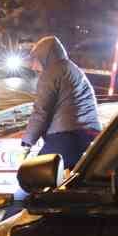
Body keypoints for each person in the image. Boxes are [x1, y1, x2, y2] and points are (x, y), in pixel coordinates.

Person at [23, 36, 100, 168]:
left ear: (44, 57)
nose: (34, 66)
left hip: (66, 137)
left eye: (35, 60)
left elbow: (41, 111)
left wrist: (27, 143)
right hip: (91, 137)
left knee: (32, 176)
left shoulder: (51, 72)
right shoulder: (72, 68)